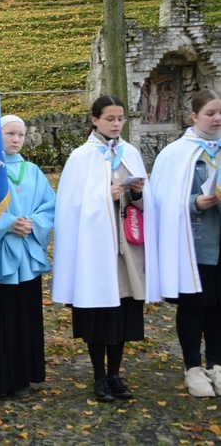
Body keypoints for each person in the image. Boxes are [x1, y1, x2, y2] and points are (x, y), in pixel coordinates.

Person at [52, 95, 159, 402]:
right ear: (95, 120)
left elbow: (145, 204)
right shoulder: (81, 157)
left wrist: (137, 193)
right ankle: (99, 375)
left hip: (125, 251)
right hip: (95, 252)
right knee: (99, 313)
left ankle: (115, 373)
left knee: (123, 313)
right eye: (110, 118)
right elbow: (71, 206)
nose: (115, 124)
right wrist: (105, 194)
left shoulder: (130, 153)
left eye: (120, 118)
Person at [151, 88, 221, 397]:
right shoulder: (177, 153)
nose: (217, 119)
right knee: (195, 307)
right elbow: (161, 198)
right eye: (210, 113)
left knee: (220, 308)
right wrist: (195, 202)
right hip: (194, 243)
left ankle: (217, 365)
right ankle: (193, 367)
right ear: (193, 116)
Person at [0, 115, 55, 398]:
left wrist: (32, 222)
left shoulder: (33, 170)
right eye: (9, 133)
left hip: (27, 251)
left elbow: (50, 205)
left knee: (27, 313)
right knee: (1, 313)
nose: (15, 139)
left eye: (20, 135)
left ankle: (24, 376)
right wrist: (6, 223)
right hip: (2, 251)